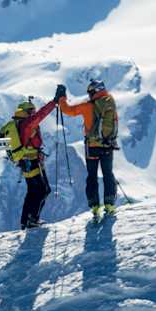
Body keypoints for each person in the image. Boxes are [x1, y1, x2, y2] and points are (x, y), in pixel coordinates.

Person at [0, 85, 66, 229]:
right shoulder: (27, 124)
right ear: (27, 112)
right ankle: (32, 219)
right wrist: (54, 102)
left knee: (32, 191)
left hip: (25, 161)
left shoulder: (19, 124)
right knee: (43, 190)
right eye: (32, 111)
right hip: (32, 161)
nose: (34, 113)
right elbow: (41, 114)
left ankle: (25, 221)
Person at [58, 79, 119, 222]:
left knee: (92, 176)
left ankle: (95, 207)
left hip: (92, 147)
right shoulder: (111, 103)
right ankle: (109, 204)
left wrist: (62, 97)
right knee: (108, 174)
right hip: (108, 146)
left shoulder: (88, 107)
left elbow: (67, 110)